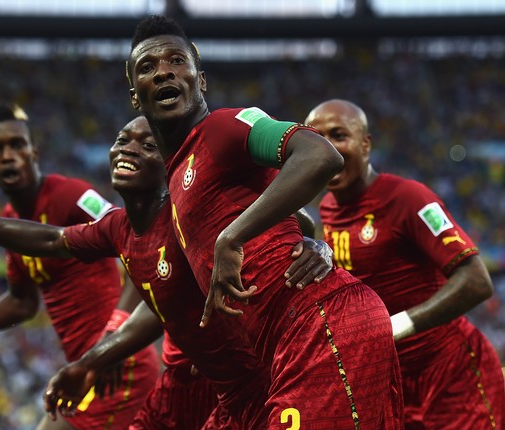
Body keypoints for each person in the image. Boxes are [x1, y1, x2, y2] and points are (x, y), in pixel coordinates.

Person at [0, 116, 333, 429]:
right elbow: (51, 245)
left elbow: (299, 217)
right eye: (122, 139)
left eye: (146, 145)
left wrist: (317, 245)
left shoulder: (181, 212)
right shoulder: (118, 228)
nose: (128, 148)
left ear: (169, 165)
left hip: (226, 379)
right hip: (176, 376)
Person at [123, 14, 403, 429]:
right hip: (284, 348)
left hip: (321, 326)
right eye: (148, 66)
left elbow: (319, 155)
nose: (164, 70)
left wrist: (232, 236)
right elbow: (301, 223)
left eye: (176, 60)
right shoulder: (181, 177)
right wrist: (315, 245)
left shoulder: (223, 127)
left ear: (200, 80)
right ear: (136, 97)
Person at [0, 104, 160, 430]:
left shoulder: (72, 195)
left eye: (17, 144)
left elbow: (137, 249)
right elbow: (22, 301)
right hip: (85, 369)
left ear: (34, 152)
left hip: (117, 366)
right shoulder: (11, 220)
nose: (7, 154)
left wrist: (112, 337)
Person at [308, 98, 505, 428]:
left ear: (366, 144)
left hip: (450, 374)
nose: (328, 148)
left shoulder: (408, 197)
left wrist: (394, 327)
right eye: (316, 138)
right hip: (392, 380)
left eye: (339, 135)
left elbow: (476, 280)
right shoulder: (327, 208)